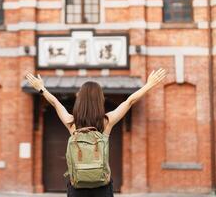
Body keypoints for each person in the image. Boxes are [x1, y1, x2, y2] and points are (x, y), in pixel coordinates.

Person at [25, 68, 167, 197]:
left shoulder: (72, 123)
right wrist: (149, 85)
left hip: (77, 187)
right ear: (100, 100)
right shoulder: (106, 122)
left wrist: (41, 88)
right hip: (102, 187)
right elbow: (129, 101)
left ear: (80, 101)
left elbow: (56, 103)